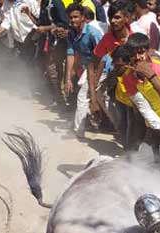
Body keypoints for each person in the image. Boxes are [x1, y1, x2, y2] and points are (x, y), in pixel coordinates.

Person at [122, 32, 160, 144]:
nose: (137, 58)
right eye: (132, 54)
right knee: (140, 160)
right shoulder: (127, 78)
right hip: (155, 127)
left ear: (149, 51)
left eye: (141, 52)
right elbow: (144, 109)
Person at [65, 2, 107, 138]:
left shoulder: (93, 33)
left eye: (76, 17)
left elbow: (103, 58)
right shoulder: (71, 34)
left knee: (84, 95)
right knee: (99, 97)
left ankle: (78, 131)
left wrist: (94, 80)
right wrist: (68, 79)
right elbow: (70, 54)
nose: (73, 20)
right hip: (89, 67)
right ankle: (115, 125)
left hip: (104, 67)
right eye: (70, 17)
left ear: (83, 17)